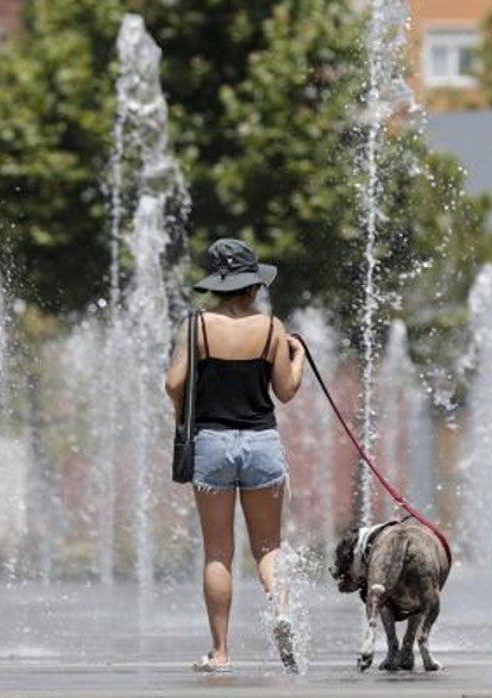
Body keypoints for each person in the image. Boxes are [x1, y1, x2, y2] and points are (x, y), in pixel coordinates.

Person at [165, 238, 306, 673]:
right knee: (267, 546)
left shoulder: (196, 326)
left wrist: (184, 417)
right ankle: (281, 608)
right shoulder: (271, 328)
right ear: (251, 287)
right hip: (261, 442)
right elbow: (285, 391)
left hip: (211, 442)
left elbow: (173, 384)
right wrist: (297, 357)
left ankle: (221, 652)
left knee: (218, 553)